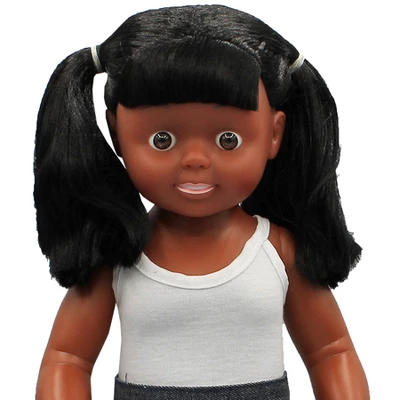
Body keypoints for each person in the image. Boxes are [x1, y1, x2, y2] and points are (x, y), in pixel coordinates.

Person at [34, 5, 369, 399]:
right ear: (117, 133)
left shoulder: (278, 251)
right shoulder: (117, 254)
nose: (195, 160)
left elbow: (331, 352)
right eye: (162, 140)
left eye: (229, 140)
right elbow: (67, 359)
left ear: (274, 133)